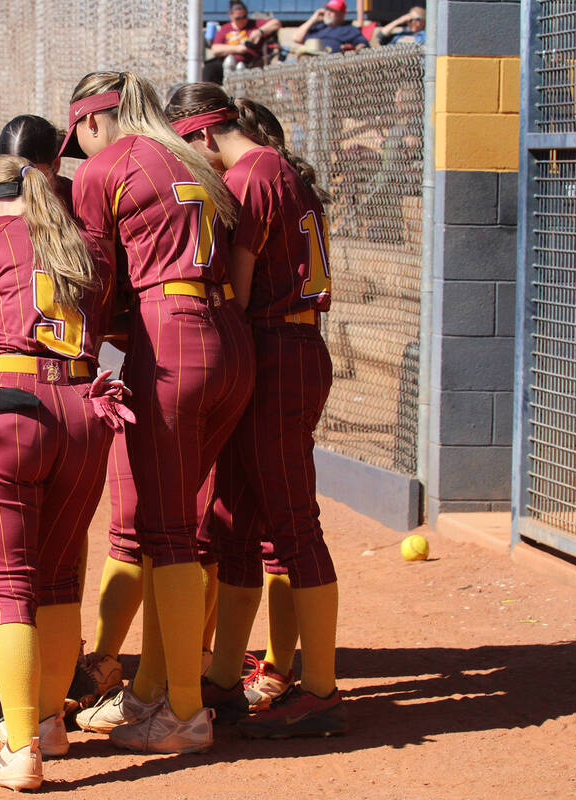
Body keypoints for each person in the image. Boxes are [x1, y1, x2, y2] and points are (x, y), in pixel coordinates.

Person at [61, 70, 254, 754]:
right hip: (232, 337)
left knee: (164, 530)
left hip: (170, 335)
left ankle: (183, 710)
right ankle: (151, 693)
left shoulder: (105, 165)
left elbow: (91, 278)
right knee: (183, 529)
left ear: (89, 123)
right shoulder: (193, 155)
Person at [170, 84, 343, 738]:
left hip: (277, 349)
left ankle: (321, 692)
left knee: (292, 527)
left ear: (206, 135)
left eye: (188, 149)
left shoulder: (250, 174)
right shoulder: (275, 167)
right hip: (284, 346)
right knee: (236, 520)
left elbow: (237, 293)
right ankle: (222, 678)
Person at [0, 154, 116, 790]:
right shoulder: (88, 242)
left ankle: (21, 748)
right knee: (61, 575)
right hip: (83, 404)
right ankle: (48, 722)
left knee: (8, 583)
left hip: (11, 401)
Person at [0, 114, 74, 216]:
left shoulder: (76, 202)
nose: (21, 188)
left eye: (29, 173)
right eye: (11, 179)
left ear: (55, 165)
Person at [203, 2, 282, 84]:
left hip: (249, 63)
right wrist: (237, 49)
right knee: (210, 69)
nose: (242, 20)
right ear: (231, 15)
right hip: (227, 62)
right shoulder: (225, 28)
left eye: (244, 17)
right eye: (238, 18)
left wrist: (259, 31)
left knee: (240, 66)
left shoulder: (254, 24)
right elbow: (215, 49)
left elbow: (276, 23)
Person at [294, 0, 370, 52]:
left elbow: (363, 45)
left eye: (332, 11)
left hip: (331, 63)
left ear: (342, 14)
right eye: (327, 9)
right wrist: (312, 19)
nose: (328, 13)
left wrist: (353, 50)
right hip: (307, 60)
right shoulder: (318, 27)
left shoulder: (349, 29)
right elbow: (297, 38)